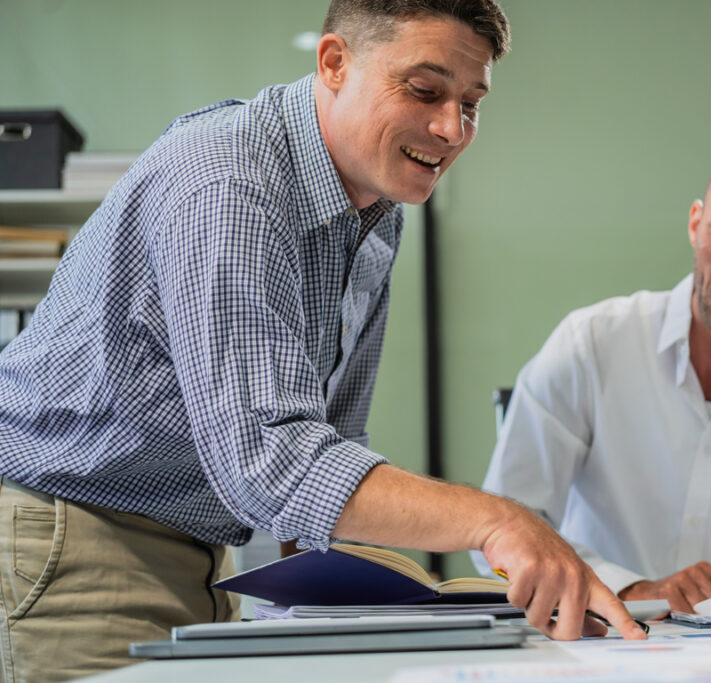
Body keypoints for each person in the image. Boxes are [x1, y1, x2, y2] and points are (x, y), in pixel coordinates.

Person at [0, 1, 645, 679]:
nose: (451, 128)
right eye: (424, 91)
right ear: (334, 62)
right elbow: (272, 460)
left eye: (472, 103)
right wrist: (497, 521)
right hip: (75, 535)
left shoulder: (376, 212)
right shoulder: (229, 180)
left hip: (202, 552)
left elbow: (329, 445)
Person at [474, 128, 711, 613]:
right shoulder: (591, 345)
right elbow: (499, 533)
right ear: (695, 224)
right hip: (596, 649)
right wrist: (631, 589)